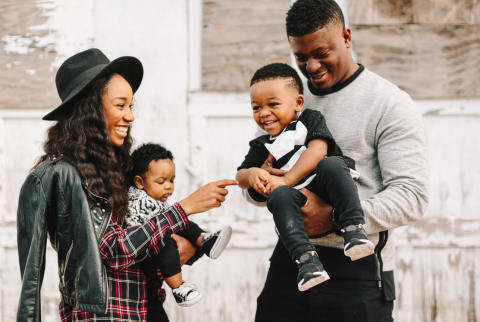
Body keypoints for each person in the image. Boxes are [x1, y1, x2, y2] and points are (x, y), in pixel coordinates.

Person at [16, 48, 237, 322]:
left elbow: (148, 237)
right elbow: (115, 252)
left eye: (130, 106)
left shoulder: (121, 171)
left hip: (146, 309)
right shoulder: (65, 176)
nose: (130, 116)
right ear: (91, 110)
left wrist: (184, 246)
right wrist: (185, 208)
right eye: (120, 105)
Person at [250, 1, 430, 321]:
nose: (312, 67)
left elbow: (412, 197)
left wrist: (334, 217)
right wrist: (259, 183)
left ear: (347, 37)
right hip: (289, 264)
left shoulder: (389, 104)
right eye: (301, 57)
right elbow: (257, 175)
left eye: (321, 53)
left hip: (356, 272)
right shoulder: (289, 99)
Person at [237, 63, 374, 292]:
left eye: (273, 104)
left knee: (331, 164)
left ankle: (353, 229)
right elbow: (240, 175)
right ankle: (307, 260)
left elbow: (318, 151)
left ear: (298, 103)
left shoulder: (309, 120)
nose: (263, 113)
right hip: (295, 194)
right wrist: (252, 173)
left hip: (324, 183)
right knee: (279, 197)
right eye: (256, 107)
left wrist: (286, 179)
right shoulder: (262, 144)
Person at [126, 142, 232, 311]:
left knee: (184, 223)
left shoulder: (154, 199)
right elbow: (144, 233)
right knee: (167, 245)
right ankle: (178, 288)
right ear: (139, 182)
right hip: (147, 255)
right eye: (161, 182)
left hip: (152, 281)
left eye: (172, 180)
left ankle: (205, 241)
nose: (168, 186)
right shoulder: (136, 201)